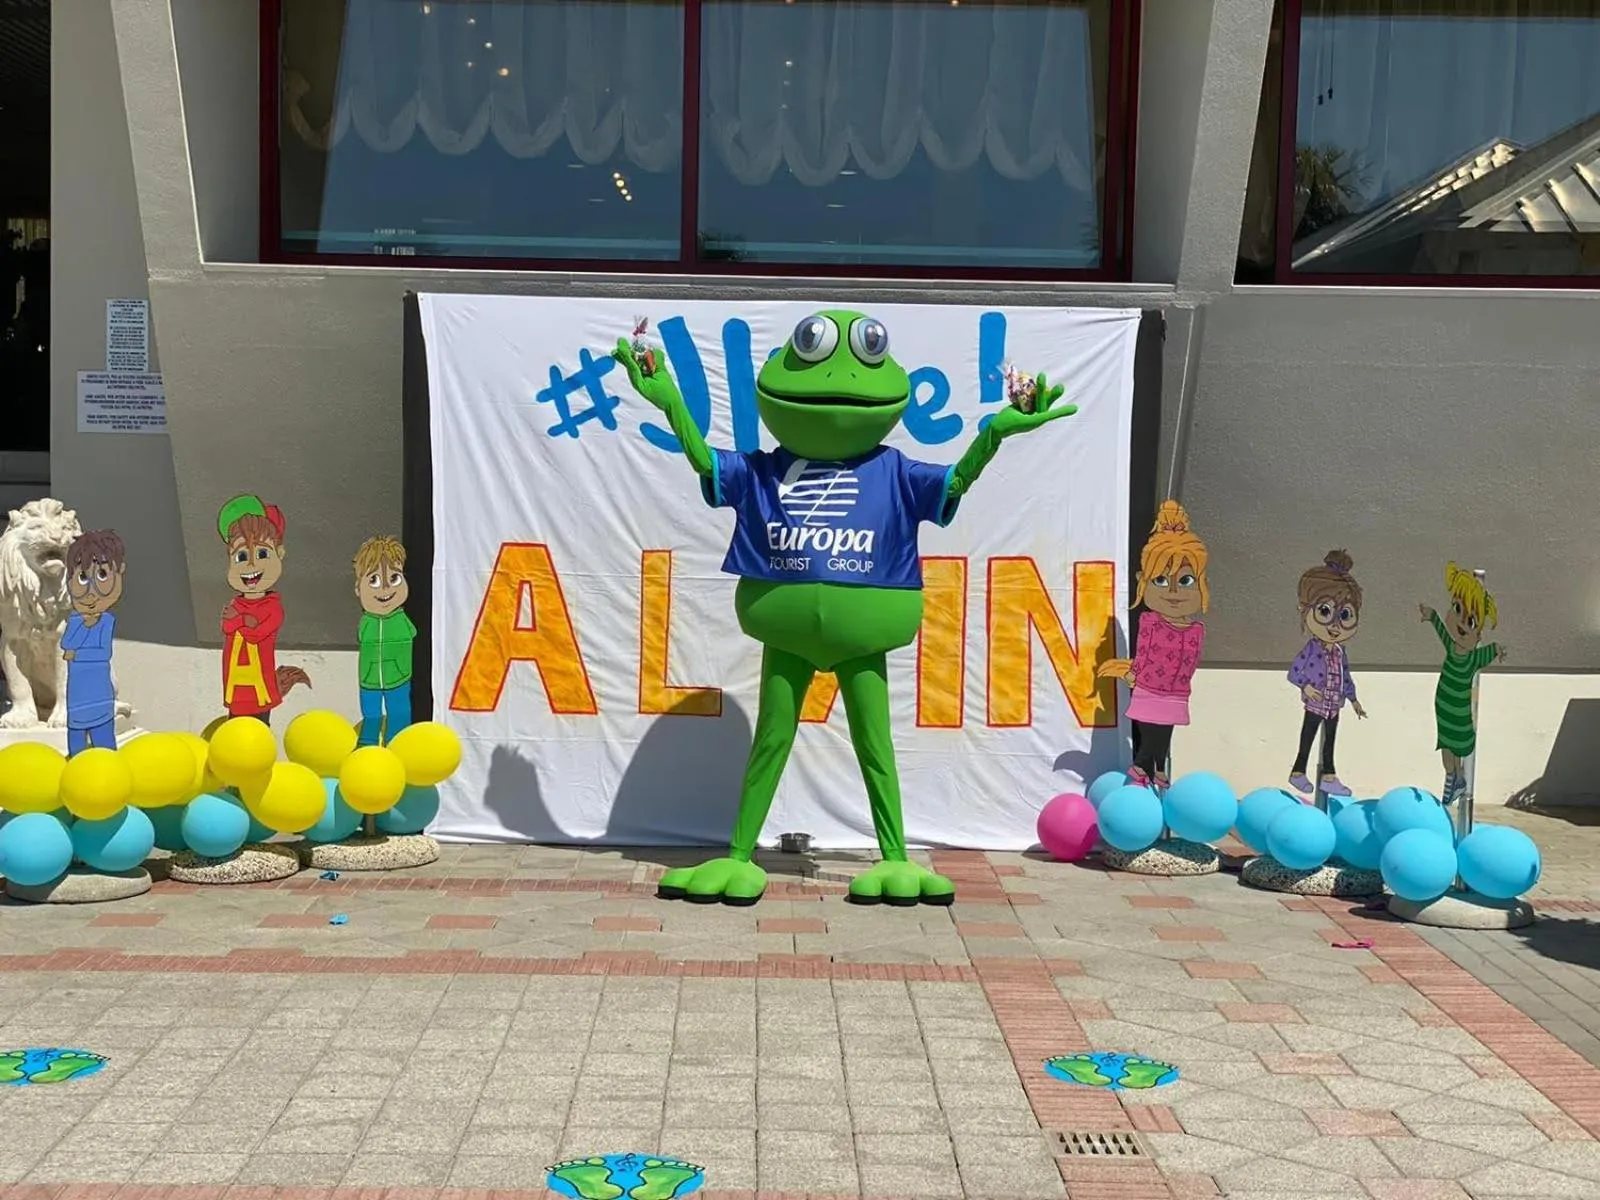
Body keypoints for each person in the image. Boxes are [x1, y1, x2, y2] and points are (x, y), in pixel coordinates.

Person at [1097, 501, 1208, 790]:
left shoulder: (1195, 630)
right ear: (1143, 582)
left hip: (1175, 693)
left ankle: (1155, 769)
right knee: (1150, 734)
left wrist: (1182, 684)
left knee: (1165, 734)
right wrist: (1134, 672)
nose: (1172, 591)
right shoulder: (1151, 622)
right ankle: (1145, 769)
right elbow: (1144, 651)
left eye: (1185, 580)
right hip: (1148, 687)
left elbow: (1191, 662)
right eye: (1160, 580)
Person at [217, 494, 310, 724]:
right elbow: (228, 626)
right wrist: (242, 620)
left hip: (259, 684)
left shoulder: (273, 606)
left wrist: (241, 621)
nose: (250, 565)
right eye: (241, 556)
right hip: (236, 685)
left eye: (261, 554)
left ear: (279, 554)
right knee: (235, 725)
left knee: (260, 725)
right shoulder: (236, 603)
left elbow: (257, 634)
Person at [1420, 563, 1506, 805]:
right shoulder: (1450, 647)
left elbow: (1491, 651)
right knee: (1446, 747)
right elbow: (1442, 631)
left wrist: (1498, 650)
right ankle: (1453, 777)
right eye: (1456, 609)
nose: (1460, 623)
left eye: (1470, 622)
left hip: (1459, 712)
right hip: (1444, 708)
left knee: (1458, 745)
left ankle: (1457, 779)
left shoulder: (1474, 657)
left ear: (1478, 633)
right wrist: (1431, 616)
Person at [1285, 549, 1367, 798]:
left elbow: (1346, 677)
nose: (1334, 625)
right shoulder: (1312, 647)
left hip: (1334, 704)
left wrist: (1354, 700)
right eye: (1324, 612)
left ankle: (1329, 775)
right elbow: (1294, 670)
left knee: (1329, 741)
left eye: (1344, 615)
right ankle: (1298, 772)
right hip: (1316, 703)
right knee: (1308, 737)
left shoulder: (1340, 652)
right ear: (1306, 609)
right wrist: (1305, 686)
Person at [60, 529, 125, 754]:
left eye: (102, 575)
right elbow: (66, 644)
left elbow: (102, 653)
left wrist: (76, 654)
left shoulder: (106, 620)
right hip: (76, 697)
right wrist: (84, 627)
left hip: (100, 697)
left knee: (104, 744)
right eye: (82, 577)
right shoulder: (75, 620)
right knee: (76, 747)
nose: (90, 591)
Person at [354, 534, 416, 746]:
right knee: (371, 717)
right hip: (369, 681)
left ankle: (398, 748)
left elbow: (411, 635)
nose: (385, 590)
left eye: (394, 579)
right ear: (357, 589)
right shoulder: (366, 623)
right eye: (373, 580)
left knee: (399, 715)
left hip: (398, 679)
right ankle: (366, 749)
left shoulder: (401, 620)